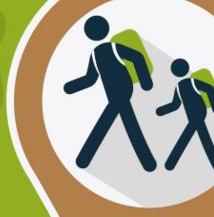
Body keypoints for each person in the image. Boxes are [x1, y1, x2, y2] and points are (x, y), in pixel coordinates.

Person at [64, 15, 157, 171]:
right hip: (117, 94)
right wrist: (70, 87)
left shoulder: (107, 50)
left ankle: (84, 159)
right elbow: (91, 79)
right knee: (126, 125)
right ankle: (148, 163)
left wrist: (146, 82)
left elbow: (90, 79)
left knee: (117, 125)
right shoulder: (103, 52)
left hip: (120, 93)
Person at [155, 58, 214, 173]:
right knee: (199, 139)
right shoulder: (183, 85)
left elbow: (175, 105)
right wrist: (161, 110)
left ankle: (170, 163)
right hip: (194, 116)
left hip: (197, 115)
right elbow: (175, 105)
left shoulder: (188, 84)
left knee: (198, 139)